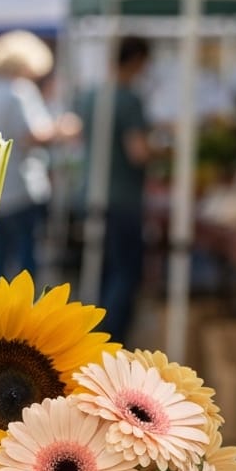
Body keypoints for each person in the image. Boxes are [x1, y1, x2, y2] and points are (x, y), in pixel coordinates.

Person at [0, 30, 80, 283]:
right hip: (19, 186)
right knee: (26, 254)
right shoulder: (19, 91)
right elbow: (32, 134)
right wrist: (62, 129)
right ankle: (25, 310)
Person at [79, 36, 154, 344]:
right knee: (125, 271)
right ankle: (112, 338)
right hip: (123, 197)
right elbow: (139, 151)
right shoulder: (128, 99)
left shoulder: (91, 95)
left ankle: (99, 334)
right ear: (136, 61)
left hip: (92, 192)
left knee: (104, 267)